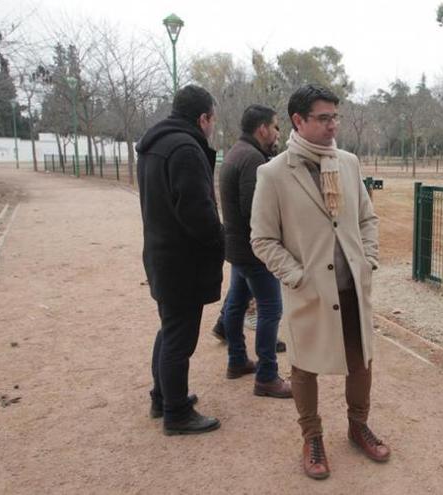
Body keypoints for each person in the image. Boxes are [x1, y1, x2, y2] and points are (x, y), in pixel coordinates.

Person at [251, 84, 390, 480]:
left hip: (351, 287)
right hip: (309, 291)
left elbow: (367, 218)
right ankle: (312, 437)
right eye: (323, 118)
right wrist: (296, 276)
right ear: (298, 120)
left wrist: (368, 259)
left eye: (335, 117)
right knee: (304, 366)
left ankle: (358, 425)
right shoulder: (274, 173)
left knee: (360, 359)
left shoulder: (347, 163)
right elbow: (262, 238)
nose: (333, 126)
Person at [136, 85, 224, 436]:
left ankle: (162, 397)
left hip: (161, 255)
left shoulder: (154, 144)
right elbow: (197, 211)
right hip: (183, 262)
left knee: (170, 329)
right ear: (203, 118)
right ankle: (176, 412)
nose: (213, 126)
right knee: (180, 339)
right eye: (213, 119)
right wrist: (219, 237)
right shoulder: (186, 149)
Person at [218, 104, 291, 398]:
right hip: (254, 251)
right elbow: (255, 211)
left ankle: (237, 360)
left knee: (236, 302)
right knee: (271, 308)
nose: (277, 133)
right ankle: (267, 376)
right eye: (275, 127)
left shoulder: (237, 152)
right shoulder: (252, 159)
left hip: (237, 247)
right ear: (261, 128)